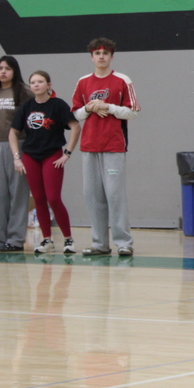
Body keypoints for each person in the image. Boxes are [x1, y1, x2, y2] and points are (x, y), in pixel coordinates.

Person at [71, 38, 139, 257]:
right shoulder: (83, 82)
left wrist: (108, 107)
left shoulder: (122, 80)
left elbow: (133, 112)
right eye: (97, 53)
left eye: (105, 53)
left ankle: (124, 243)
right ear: (91, 57)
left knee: (115, 196)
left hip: (113, 146)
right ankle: (100, 244)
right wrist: (89, 108)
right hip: (89, 146)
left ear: (112, 56)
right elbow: (75, 114)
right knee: (93, 196)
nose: (101, 57)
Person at [10, 70, 82, 255]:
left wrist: (67, 154)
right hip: (30, 156)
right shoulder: (26, 107)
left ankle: (68, 239)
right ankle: (47, 240)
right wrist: (17, 157)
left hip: (52, 155)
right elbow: (13, 132)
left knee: (53, 198)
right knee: (39, 198)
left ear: (49, 85)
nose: (36, 85)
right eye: (33, 82)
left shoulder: (58, 105)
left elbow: (75, 126)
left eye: (40, 81)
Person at [0, 56, 31, 252]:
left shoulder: (24, 91)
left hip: (19, 144)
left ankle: (16, 239)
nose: (3, 72)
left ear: (14, 71)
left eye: (7, 68)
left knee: (18, 193)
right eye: (0, 68)